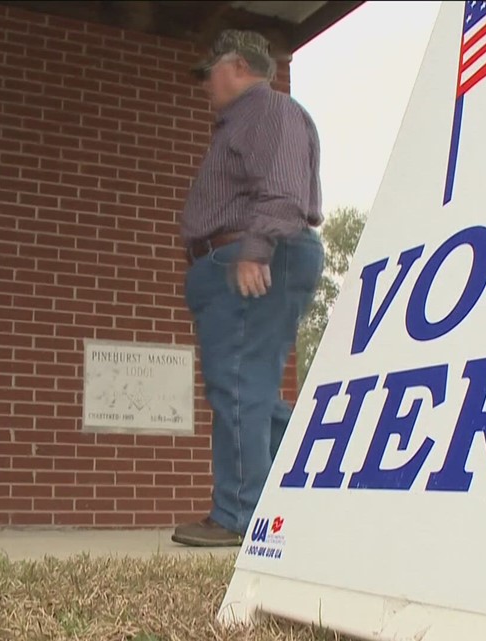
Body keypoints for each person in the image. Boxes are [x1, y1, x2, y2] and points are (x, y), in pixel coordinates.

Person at [171, 31, 326, 547]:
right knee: (248, 387)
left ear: (236, 65)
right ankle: (322, 471)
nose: (203, 86)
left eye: (208, 73)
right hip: (231, 260)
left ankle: (239, 514)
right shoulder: (242, 122)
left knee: (239, 383)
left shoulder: (268, 111)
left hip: (255, 255)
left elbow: (282, 187)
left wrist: (255, 249)